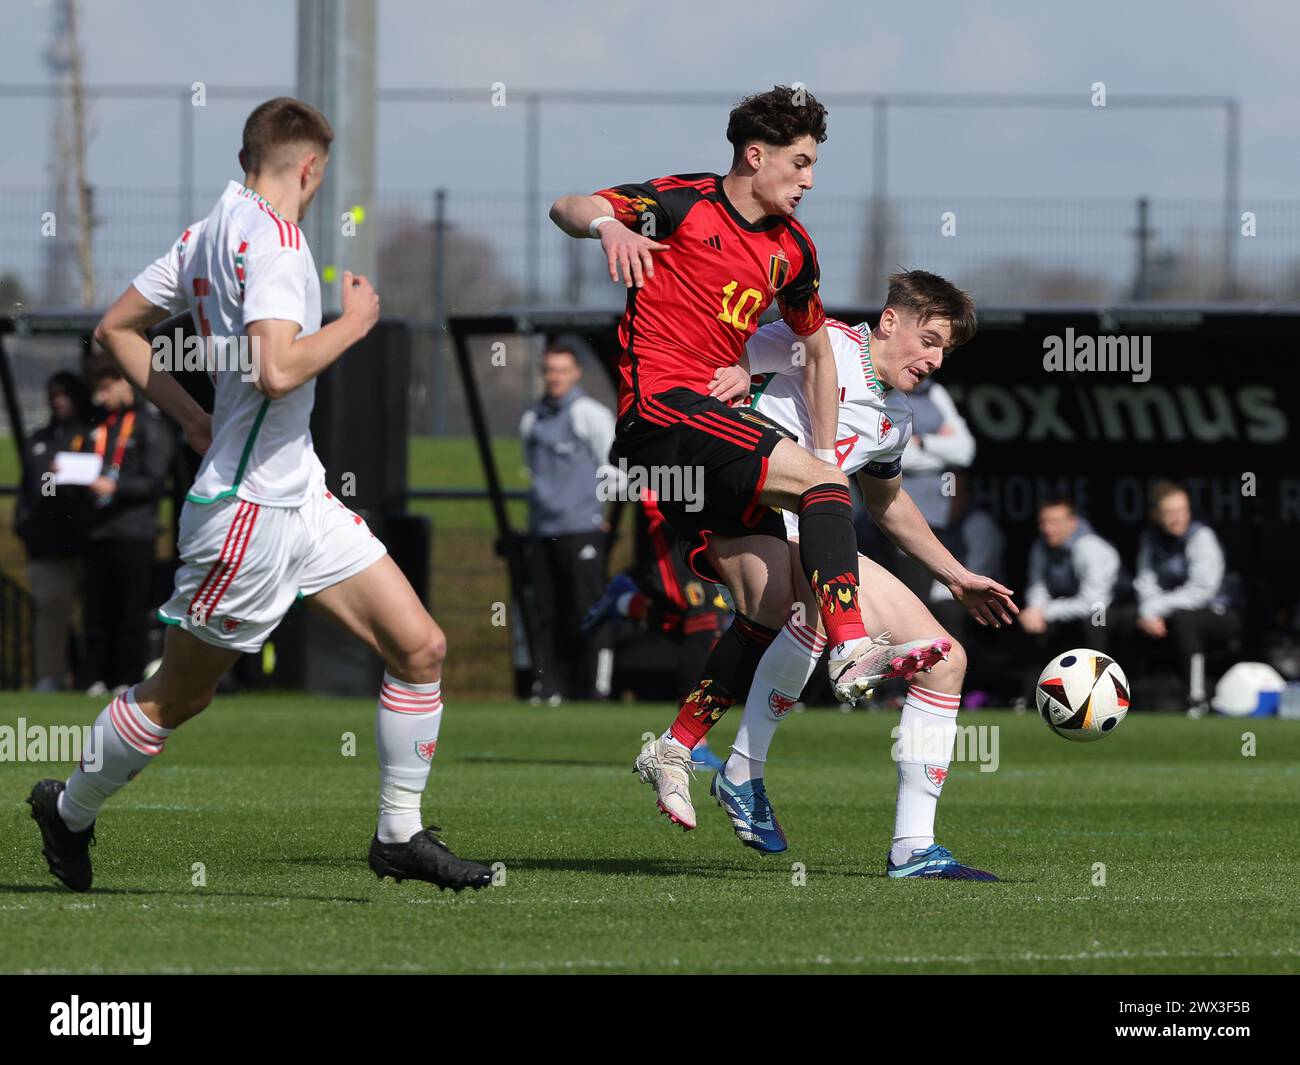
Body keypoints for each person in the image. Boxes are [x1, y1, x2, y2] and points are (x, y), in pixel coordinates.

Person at [26, 97, 491, 894]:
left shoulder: (209, 229)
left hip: (297, 494)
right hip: (245, 515)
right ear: (309, 168)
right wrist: (356, 321)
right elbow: (277, 369)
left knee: (421, 646)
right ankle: (68, 808)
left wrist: (195, 418)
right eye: (320, 175)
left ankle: (398, 832)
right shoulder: (277, 244)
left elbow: (116, 328)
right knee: (180, 695)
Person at [550, 86, 943, 833]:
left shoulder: (794, 250)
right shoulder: (683, 203)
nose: (810, 179)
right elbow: (566, 205)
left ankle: (674, 746)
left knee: (769, 606)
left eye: (814, 165)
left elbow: (818, 352)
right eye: (800, 163)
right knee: (821, 505)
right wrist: (605, 224)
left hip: (707, 428)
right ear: (754, 156)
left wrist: (821, 453)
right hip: (659, 412)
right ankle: (853, 646)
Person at [703, 271, 1015, 879]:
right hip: (748, 512)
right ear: (889, 320)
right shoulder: (823, 343)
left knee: (946, 657)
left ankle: (913, 847)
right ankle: (740, 768)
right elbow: (733, 346)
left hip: (816, 535)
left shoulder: (896, 416)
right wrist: (736, 367)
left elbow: (887, 502)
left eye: (944, 350)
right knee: (816, 610)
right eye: (928, 340)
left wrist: (955, 575)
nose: (934, 359)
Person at [519, 342, 618, 703]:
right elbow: (533, 470)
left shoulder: (590, 414)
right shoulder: (532, 418)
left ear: (575, 373)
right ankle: (549, 687)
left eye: (562, 370)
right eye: (549, 370)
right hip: (544, 530)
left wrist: (600, 512)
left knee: (587, 609)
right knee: (546, 613)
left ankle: (595, 687)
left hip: (583, 528)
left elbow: (612, 468)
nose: (555, 377)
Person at [80, 355, 174, 696]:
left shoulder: (150, 426)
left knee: (130, 611)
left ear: (124, 382)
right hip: (98, 532)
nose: (100, 398)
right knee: (96, 612)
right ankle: (93, 678)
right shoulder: (98, 426)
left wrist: (115, 487)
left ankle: (127, 679)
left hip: (135, 533)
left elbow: (153, 480)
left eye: (106, 388)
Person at [1122, 481, 1240, 713]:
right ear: (1156, 514)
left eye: (1182, 511)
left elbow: (1201, 592)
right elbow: (1146, 583)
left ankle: (1196, 698)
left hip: (1219, 613)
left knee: (1186, 620)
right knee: (1128, 617)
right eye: (1169, 512)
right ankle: (1125, 695)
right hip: (1168, 612)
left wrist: (1156, 608)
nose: (1177, 518)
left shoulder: (1202, 537)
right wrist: (1148, 612)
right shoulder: (1150, 539)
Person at [14, 371, 92, 691]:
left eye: (65, 394)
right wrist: (26, 527)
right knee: (51, 612)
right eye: (53, 394)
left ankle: (96, 676)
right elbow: (37, 490)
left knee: (95, 617)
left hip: (90, 542)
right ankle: (51, 677)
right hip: (48, 547)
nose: (58, 401)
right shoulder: (41, 440)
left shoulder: (92, 434)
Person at [1019, 498, 1120, 700]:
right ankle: (1030, 696)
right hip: (1066, 609)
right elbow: (1037, 587)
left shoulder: (1090, 547)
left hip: (1112, 610)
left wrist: (1044, 612)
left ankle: (1100, 691)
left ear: (1072, 522)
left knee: (1095, 619)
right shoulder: (1040, 547)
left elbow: (1093, 602)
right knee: (1027, 619)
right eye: (1043, 522)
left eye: (1054, 521)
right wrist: (1035, 611)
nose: (1047, 528)